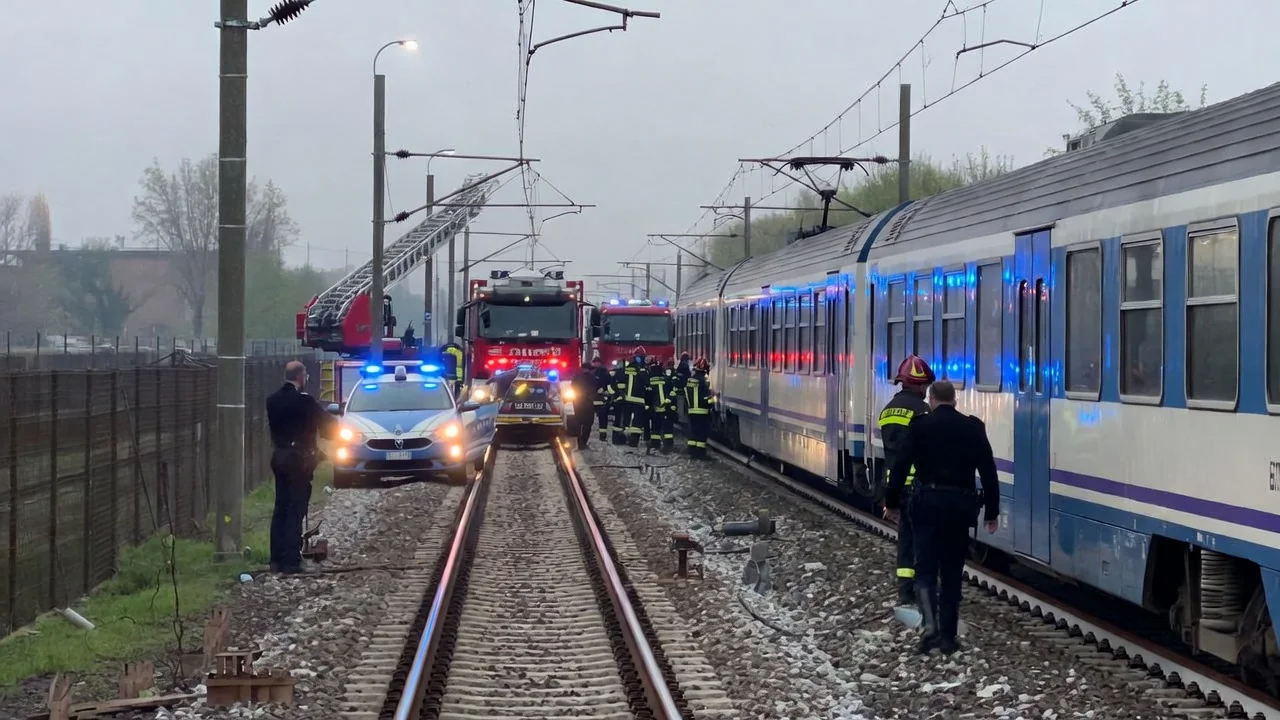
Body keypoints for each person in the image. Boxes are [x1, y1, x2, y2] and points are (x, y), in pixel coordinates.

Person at [884, 380, 1000, 655]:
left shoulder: (921, 426)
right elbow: (988, 471)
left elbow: (900, 467)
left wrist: (892, 502)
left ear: (932, 399)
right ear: (955, 400)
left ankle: (930, 628)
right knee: (951, 572)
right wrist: (992, 512)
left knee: (924, 568)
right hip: (960, 507)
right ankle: (948, 637)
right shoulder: (973, 427)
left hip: (927, 505)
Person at [265, 361, 337, 574]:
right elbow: (328, 427)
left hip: (279, 457)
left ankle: (276, 560)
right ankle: (292, 561)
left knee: (281, 508)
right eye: (305, 376)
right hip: (299, 461)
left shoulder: (272, 401)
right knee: (295, 510)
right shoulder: (305, 402)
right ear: (300, 377)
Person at [879, 354, 935, 607]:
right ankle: (924, 591)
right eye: (924, 386)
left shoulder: (887, 410)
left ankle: (905, 591)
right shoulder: (923, 411)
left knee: (905, 539)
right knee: (924, 540)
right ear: (918, 385)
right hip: (920, 486)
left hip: (897, 484)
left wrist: (890, 497)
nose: (925, 391)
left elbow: (894, 454)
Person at [683, 357, 714, 458]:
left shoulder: (690, 380)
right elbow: (705, 399)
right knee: (701, 435)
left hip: (691, 411)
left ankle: (691, 452)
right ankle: (700, 454)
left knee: (693, 433)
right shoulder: (703, 382)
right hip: (702, 412)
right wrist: (713, 399)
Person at [620, 349, 650, 447]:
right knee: (637, 422)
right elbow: (647, 384)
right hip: (639, 401)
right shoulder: (643, 371)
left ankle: (625, 438)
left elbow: (620, 383)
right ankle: (633, 441)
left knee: (626, 420)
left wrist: (620, 396)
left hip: (627, 400)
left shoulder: (626, 368)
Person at [645, 356, 671, 452]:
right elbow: (670, 391)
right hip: (666, 407)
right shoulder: (665, 379)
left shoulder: (650, 380)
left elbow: (648, 394)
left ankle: (655, 444)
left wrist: (647, 405)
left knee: (655, 427)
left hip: (655, 407)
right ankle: (668, 445)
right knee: (667, 427)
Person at [569, 361, 596, 449]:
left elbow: (572, 387)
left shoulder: (577, 377)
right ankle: (583, 442)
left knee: (578, 423)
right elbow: (595, 389)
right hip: (588, 404)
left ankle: (579, 441)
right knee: (587, 424)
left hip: (578, 402)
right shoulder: (592, 377)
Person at [588, 355, 613, 442]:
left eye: (598, 362)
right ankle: (587, 432)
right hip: (592, 397)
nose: (596, 364)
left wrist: (605, 389)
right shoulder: (591, 373)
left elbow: (610, 383)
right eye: (595, 362)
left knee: (603, 417)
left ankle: (602, 435)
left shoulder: (605, 372)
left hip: (602, 398)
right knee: (589, 416)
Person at [660, 359, 679, 453]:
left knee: (667, 427)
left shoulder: (672, 381)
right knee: (667, 427)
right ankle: (667, 445)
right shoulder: (667, 381)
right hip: (668, 407)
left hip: (668, 407)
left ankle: (667, 445)